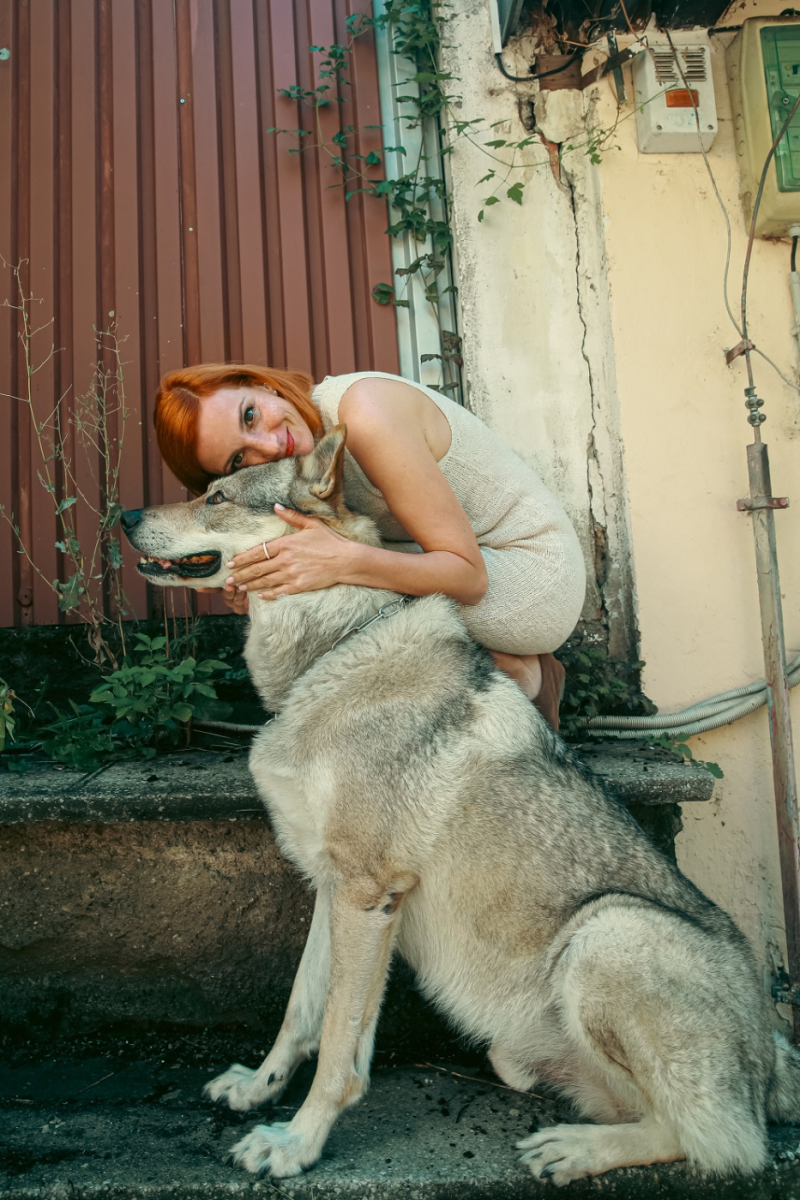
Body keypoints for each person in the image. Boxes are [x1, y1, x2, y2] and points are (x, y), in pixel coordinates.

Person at [153, 365, 586, 730]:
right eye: (238, 460)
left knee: (338, 570)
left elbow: (467, 577)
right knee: (313, 562)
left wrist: (344, 560)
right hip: (464, 565)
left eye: (250, 416)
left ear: (263, 384)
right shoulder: (298, 465)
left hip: (531, 573)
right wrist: (258, 580)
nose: (267, 446)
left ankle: (521, 673)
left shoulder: (366, 413)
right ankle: (509, 672)